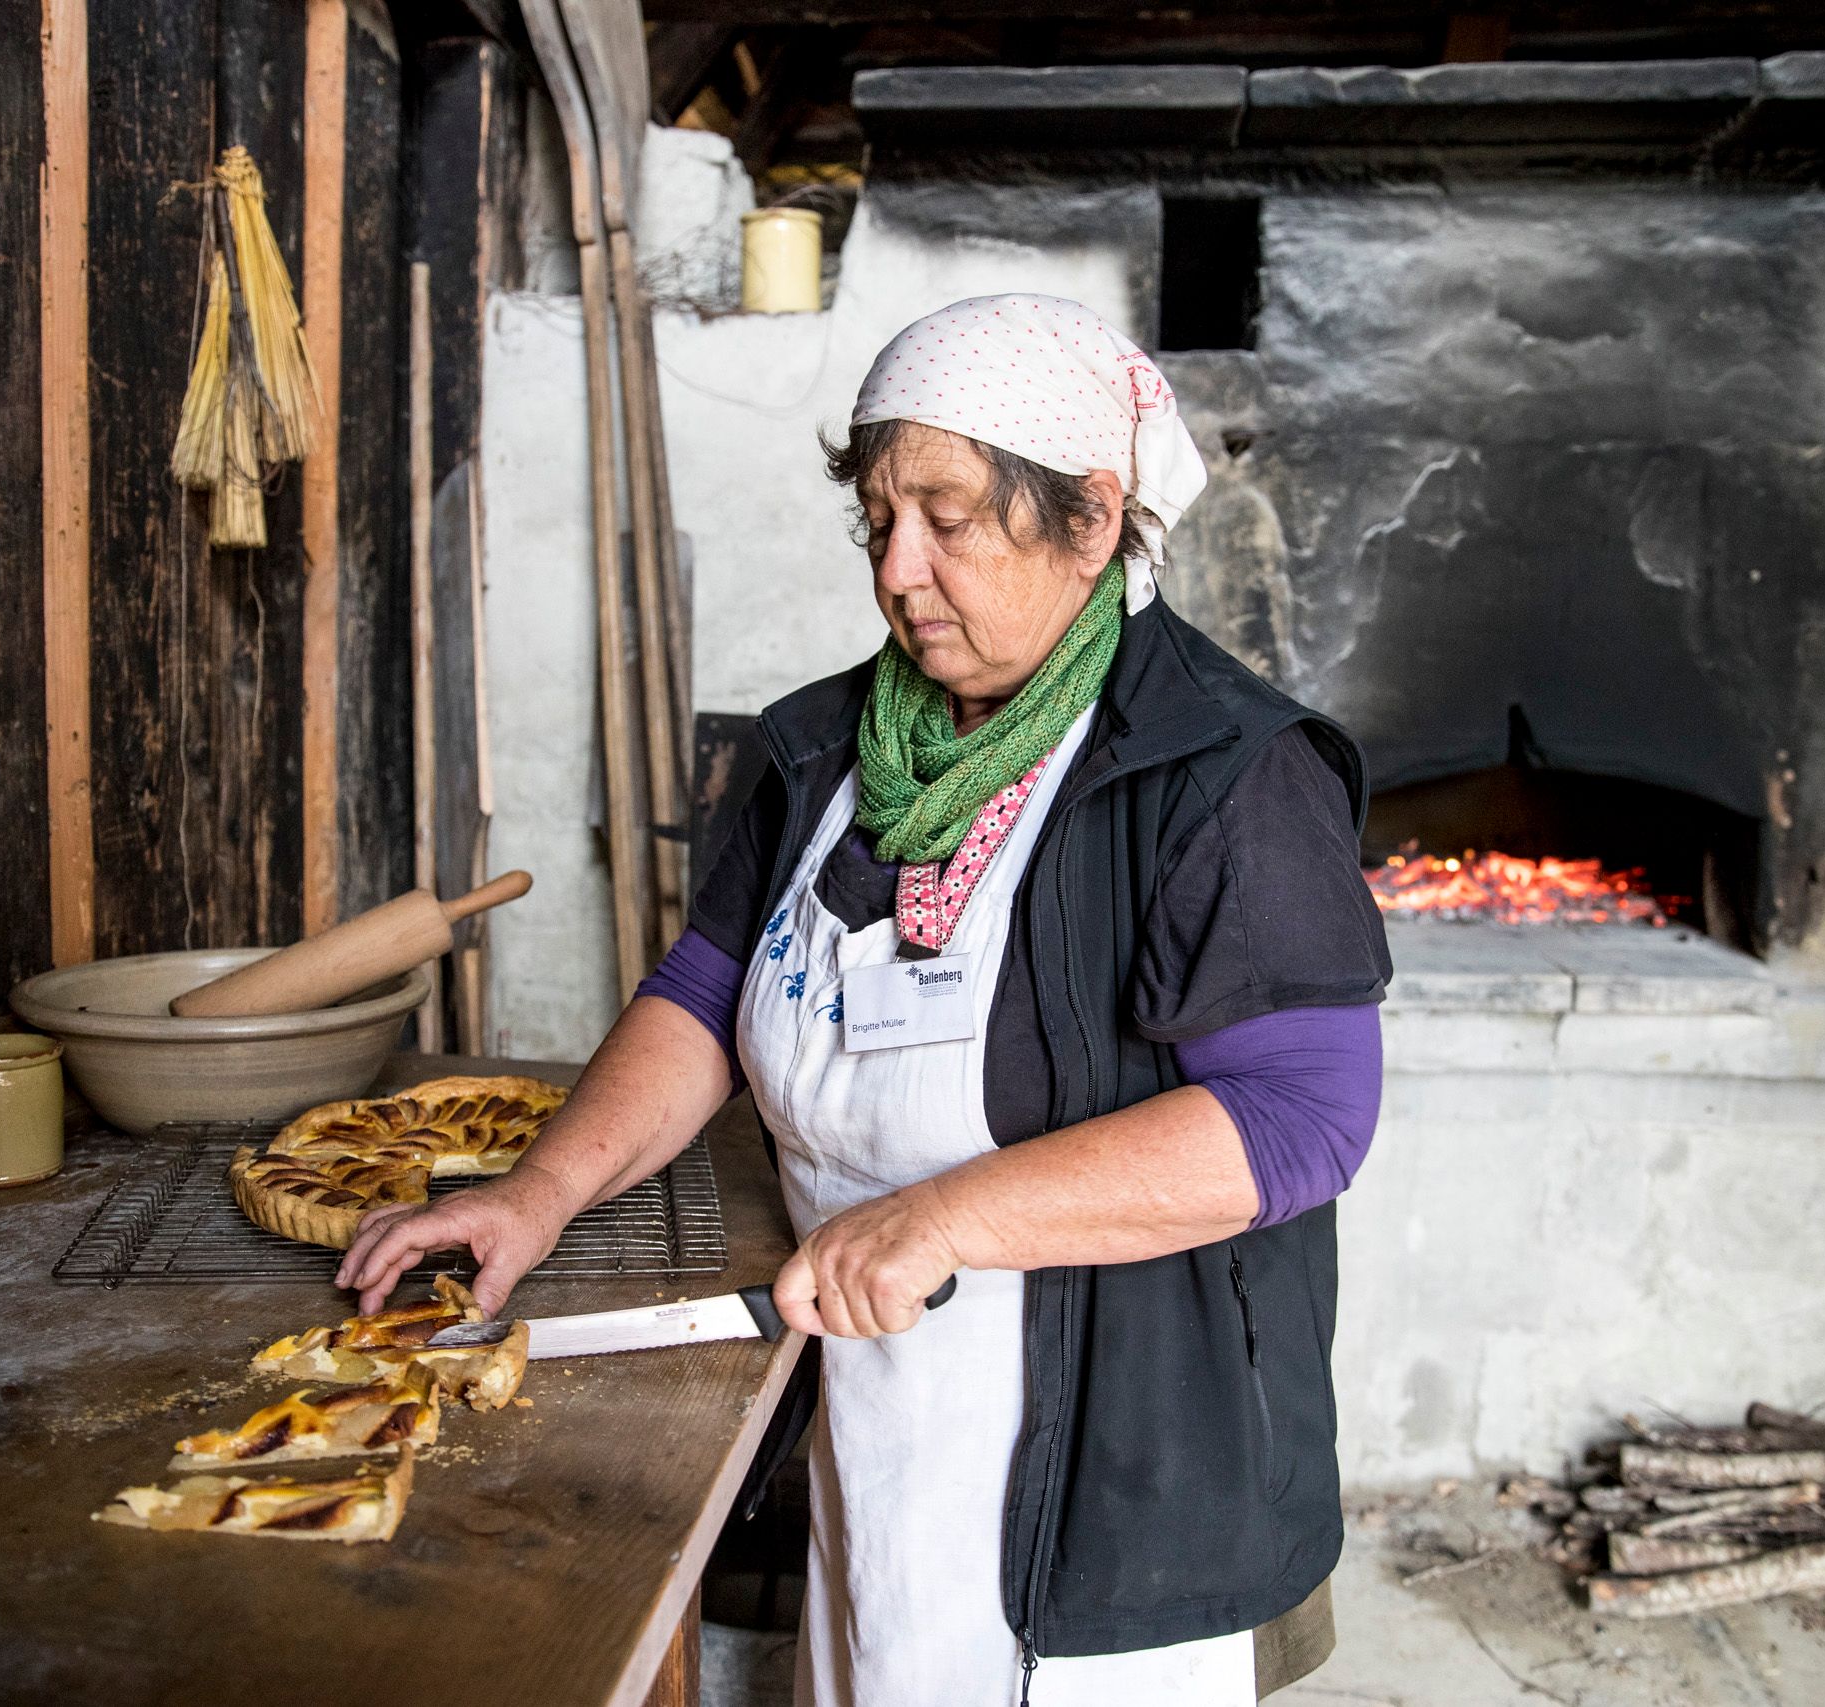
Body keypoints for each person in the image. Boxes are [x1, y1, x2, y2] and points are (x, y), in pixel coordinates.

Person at [339, 294, 1391, 1706]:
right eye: (880, 520)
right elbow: (707, 993)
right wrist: (535, 1197)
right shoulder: (828, 744)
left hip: (1118, 1469)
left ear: (1089, 516)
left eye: (948, 518)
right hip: (871, 1393)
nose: (900, 571)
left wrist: (943, 1215)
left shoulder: (1224, 772)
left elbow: (1304, 1118)